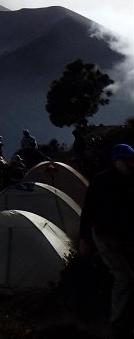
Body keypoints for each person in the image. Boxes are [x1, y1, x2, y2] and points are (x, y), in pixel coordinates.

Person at [80, 143, 134, 338]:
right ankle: (117, 321)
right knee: (124, 277)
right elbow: (87, 212)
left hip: (126, 236)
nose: (130, 164)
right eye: (125, 160)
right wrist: (85, 239)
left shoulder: (131, 179)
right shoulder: (101, 182)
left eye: (131, 159)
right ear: (115, 161)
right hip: (105, 237)